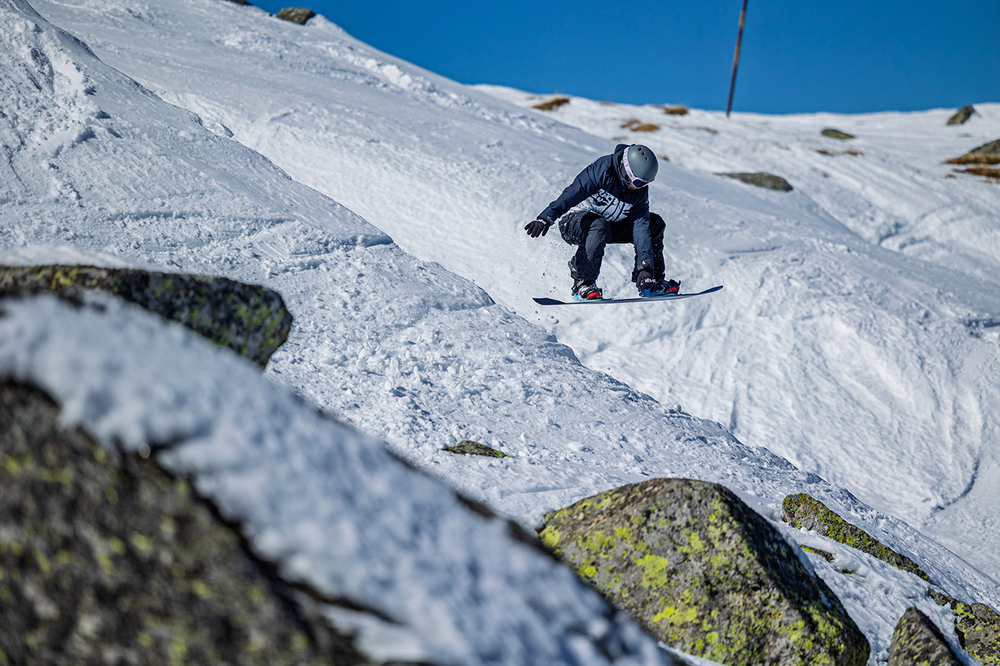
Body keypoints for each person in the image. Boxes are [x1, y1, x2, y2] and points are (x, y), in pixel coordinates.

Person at [524, 143, 679, 300]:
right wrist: (545, 218)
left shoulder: (639, 191)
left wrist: (645, 268)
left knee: (654, 224)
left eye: (645, 183)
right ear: (626, 171)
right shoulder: (602, 171)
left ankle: (651, 283)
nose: (640, 187)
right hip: (575, 223)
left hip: (608, 226)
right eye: (638, 182)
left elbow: (641, 227)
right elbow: (571, 194)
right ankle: (583, 283)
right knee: (599, 225)